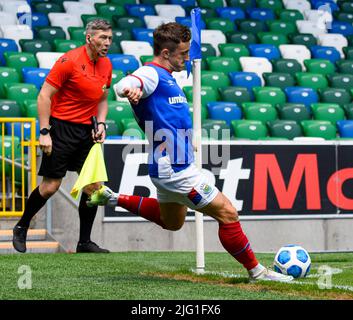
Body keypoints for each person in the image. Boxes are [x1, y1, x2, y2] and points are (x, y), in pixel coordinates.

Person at [88, 22, 293, 282]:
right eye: (183, 54)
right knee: (228, 213)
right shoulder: (151, 75)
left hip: (165, 167)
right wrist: (129, 88)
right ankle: (257, 272)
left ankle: (112, 197)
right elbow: (124, 84)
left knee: (172, 222)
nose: (187, 58)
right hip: (176, 170)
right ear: (165, 53)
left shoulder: (168, 77)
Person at [12, 19, 113, 253]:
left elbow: (103, 100)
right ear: (89, 38)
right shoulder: (69, 61)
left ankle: (84, 242)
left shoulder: (107, 65)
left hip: (87, 132)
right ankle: (22, 226)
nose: (107, 43)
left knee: (93, 187)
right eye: (102, 38)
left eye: (109, 38)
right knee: (50, 187)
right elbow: (44, 96)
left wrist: (102, 124)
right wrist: (45, 132)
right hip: (60, 129)